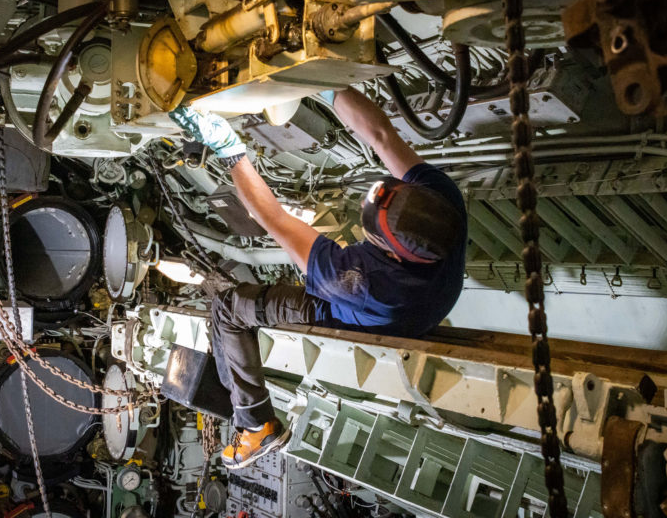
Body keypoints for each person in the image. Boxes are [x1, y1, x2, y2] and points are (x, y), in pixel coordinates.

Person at [170, 88, 467, 469]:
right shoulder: (442, 199)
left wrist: (230, 150)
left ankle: (255, 424)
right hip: (431, 298)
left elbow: (274, 220)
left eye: (369, 231)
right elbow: (381, 135)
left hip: (365, 317)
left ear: (390, 254)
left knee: (229, 307)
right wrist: (332, 86)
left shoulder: (360, 282)